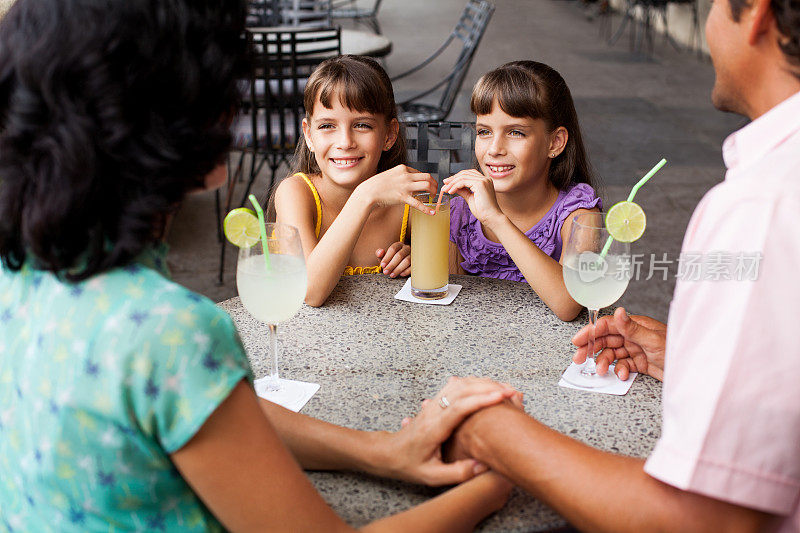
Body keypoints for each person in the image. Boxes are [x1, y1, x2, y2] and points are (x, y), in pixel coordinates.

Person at [0, 1, 517, 530]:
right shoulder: (169, 334)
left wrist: (381, 450)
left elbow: (209, 410)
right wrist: (498, 483)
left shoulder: (20, 271)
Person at [445, 0, 800, 529]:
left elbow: (707, 517)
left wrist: (492, 432)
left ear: (757, 15)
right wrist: (681, 355)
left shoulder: (761, 206)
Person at [441, 61, 602, 321]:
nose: (494, 149)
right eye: (484, 132)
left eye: (515, 132)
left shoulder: (578, 213)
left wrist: (496, 219)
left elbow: (568, 304)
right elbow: (445, 305)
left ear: (555, 142)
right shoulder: (461, 211)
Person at [273, 55, 438, 307]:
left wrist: (417, 259)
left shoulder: (410, 193)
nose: (345, 142)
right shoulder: (295, 193)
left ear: (389, 135)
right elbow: (309, 292)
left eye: (362, 125)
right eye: (327, 126)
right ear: (309, 135)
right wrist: (364, 197)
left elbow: (451, 275)